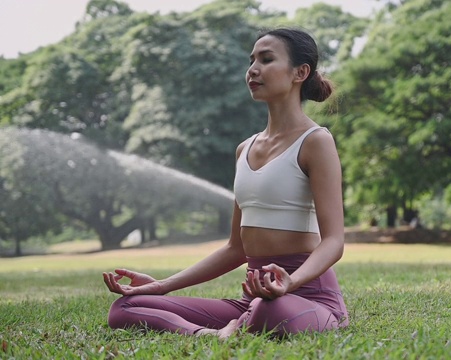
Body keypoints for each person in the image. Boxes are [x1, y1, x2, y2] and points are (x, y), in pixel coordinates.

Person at [102, 27, 348, 339]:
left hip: (308, 297)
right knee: (126, 307)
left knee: (268, 312)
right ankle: (206, 334)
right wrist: (161, 285)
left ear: (300, 72)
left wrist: (291, 282)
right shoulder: (244, 150)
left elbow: (333, 242)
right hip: (253, 300)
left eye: (266, 59)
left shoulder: (316, 141)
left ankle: (240, 325)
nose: (253, 70)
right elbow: (236, 248)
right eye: (252, 60)